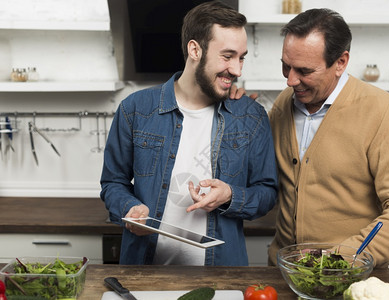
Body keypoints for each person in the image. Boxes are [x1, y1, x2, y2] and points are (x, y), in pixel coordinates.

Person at [234, 8, 389, 268]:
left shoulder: (383, 113)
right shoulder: (282, 106)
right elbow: (259, 177)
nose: (291, 80)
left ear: (340, 62)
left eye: (304, 70)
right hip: (281, 275)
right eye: (285, 66)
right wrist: (237, 118)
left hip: (349, 278)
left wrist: (337, 260)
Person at [100, 1, 277, 266]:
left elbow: (267, 192)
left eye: (241, 58)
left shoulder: (250, 116)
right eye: (227, 56)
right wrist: (129, 209)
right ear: (195, 49)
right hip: (144, 271)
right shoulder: (135, 109)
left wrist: (230, 195)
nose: (238, 69)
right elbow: (113, 183)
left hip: (221, 276)